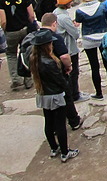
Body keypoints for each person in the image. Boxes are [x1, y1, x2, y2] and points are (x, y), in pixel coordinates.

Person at [29, 28, 79, 162]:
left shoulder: (34, 59)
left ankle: (53, 148)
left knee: (49, 122)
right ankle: (64, 152)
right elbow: (60, 80)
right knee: (60, 125)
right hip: (56, 95)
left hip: (43, 94)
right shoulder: (50, 62)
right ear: (47, 45)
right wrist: (67, 87)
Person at [40, 13, 84, 130]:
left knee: (46, 96)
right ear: (54, 23)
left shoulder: (35, 36)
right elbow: (64, 56)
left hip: (40, 72)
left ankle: (52, 125)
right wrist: (68, 66)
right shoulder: (54, 37)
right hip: (56, 71)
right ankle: (74, 121)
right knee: (66, 95)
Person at [75, 0, 107, 99]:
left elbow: (78, 21)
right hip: (103, 36)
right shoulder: (102, 6)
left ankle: (99, 92)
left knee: (94, 66)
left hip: (89, 39)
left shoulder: (79, 11)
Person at [0, 0, 36, 89]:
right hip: (24, 29)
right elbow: (31, 15)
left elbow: (3, 21)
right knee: (26, 53)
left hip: (11, 32)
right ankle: (28, 79)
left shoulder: (2, 0)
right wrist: (30, 24)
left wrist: (5, 31)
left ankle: (16, 79)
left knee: (11, 54)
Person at [53, 0, 89, 103]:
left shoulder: (56, 13)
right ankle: (75, 94)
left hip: (60, 49)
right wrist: (75, 26)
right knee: (74, 72)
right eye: (70, 1)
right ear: (66, 3)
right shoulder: (64, 18)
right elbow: (75, 34)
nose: (72, 3)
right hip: (70, 49)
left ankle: (70, 93)